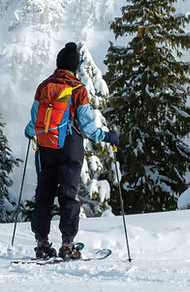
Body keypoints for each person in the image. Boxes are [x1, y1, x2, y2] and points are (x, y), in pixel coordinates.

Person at [24, 42, 119, 260]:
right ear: (75, 67)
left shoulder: (43, 86)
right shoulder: (78, 89)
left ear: (58, 64)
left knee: (44, 196)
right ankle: (67, 245)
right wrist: (107, 136)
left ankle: (42, 244)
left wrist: (30, 132)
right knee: (68, 195)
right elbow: (87, 126)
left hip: (45, 146)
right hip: (69, 147)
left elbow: (34, 118)